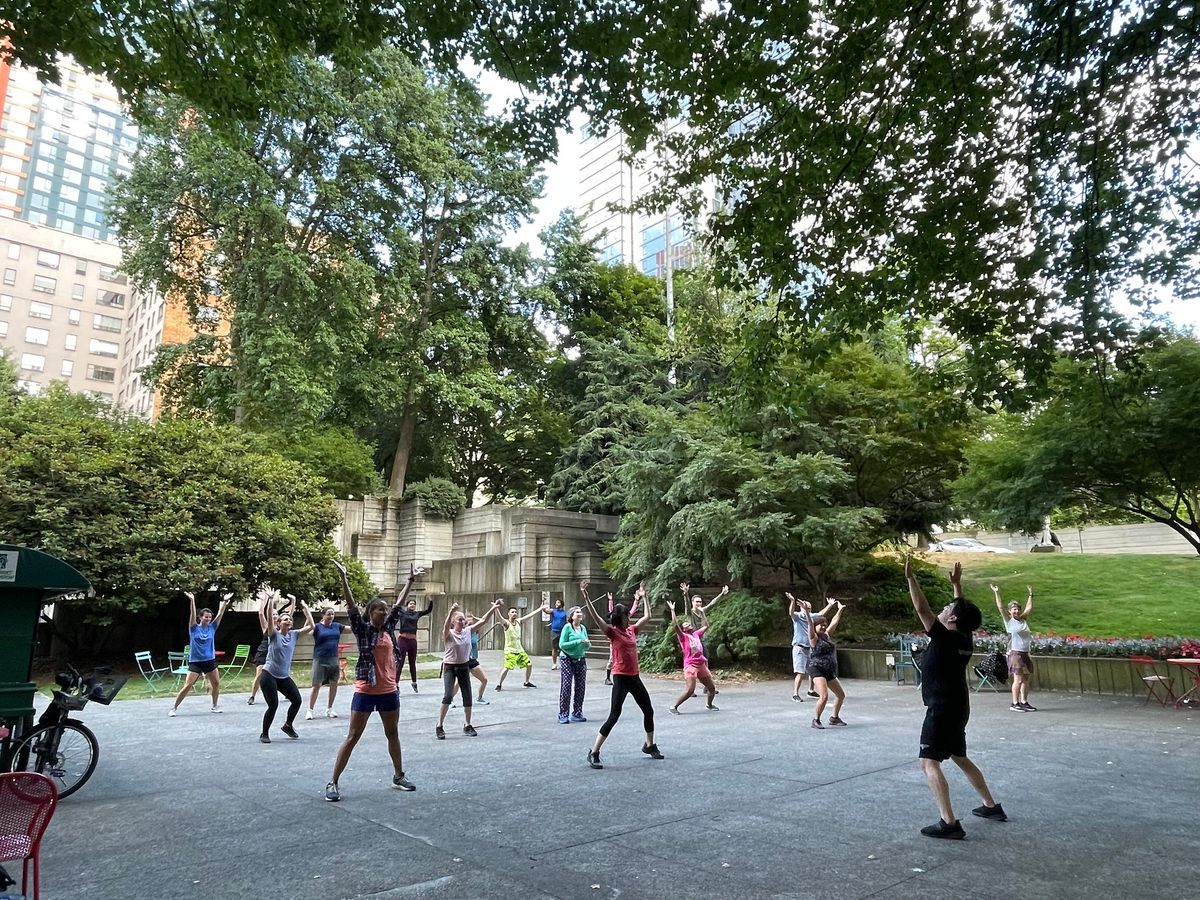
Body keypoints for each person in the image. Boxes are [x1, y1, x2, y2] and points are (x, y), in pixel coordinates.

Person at [905, 557, 1006, 839]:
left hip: (941, 708)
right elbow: (959, 614)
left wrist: (911, 578)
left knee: (928, 762)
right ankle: (991, 806)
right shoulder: (964, 638)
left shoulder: (944, 638)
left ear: (950, 619)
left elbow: (921, 608)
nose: (942, 610)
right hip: (958, 707)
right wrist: (957, 587)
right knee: (959, 756)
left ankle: (948, 822)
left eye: (946, 609)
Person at [326, 560, 421, 801]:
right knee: (353, 736)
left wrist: (410, 581)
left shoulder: (388, 629)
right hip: (366, 690)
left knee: (393, 733)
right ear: (371, 613)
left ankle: (399, 775)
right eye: (381, 609)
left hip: (389, 689)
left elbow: (399, 605)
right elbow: (350, 607)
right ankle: (333, 782)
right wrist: (344, 578)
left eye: (386, 609)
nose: (386, 611)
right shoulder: (362, 628)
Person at [582, 580, 662, 768]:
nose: (629, 617)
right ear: (620, 618)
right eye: (626, 615)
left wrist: (645, 596)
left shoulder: (632, 630)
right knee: (614, 715)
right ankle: (594, 752)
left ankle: (649, 745)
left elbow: (648, 616)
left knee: (648, 711)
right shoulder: (612, 633)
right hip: (620, 677)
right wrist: (586, 597)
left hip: (634, 677)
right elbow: (596, 618)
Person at [436, 600, 503, 740]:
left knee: (467, 696)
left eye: (463, 619)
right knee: (448, 695)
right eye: (460, 619)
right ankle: (439, 725)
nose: (463, 621)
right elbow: (445, 625)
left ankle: (467, 725)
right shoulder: (448, 633)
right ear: (454, 622)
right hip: (450, 667)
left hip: (463, 666)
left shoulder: (467, 631)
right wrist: (450, 612)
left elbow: (484, 620)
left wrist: (493, 608)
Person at [257, 591, 314, 743]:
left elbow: (311, 625)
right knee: (273, 705)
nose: (288, 620)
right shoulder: (274, 634)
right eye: (284, 619)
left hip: (283, 676)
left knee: (297, 700)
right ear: (278, 623)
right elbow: (269, 618)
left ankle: (288, 725)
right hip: (269, 674)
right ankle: (264, 733)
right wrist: (269, 600)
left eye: (289, 619)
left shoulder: (294, 634)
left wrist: (306, 609)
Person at [169, 590, 232, 717]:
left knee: (216, 684)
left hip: (209, 661)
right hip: (195, 662)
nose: (208, 619)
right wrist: (192, 600)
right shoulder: (193, 628)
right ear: (200, 617)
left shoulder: (212, 627)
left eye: (209, 617)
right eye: (206, 617)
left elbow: (220, 614)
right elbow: (192, 614)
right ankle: (174, 708)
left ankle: (214, 706)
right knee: (188, 685)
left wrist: (224, 602)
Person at [668, 600, 719, 714]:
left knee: (711, 688)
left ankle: (709, 705)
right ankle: (674, 707)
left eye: (688, 624)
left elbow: (706, 625)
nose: (688, 625)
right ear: (684, 629)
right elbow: (675, 625)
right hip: (690, 665)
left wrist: (702, 613)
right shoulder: (683, 637)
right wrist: (672, 610)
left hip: (701, 664)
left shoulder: (696, 634)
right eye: (686, 625)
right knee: (690, 690)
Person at [992, 583, 1037, 712]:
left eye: (1018, 609)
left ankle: (1024, 702)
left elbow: (1029, 608)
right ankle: (1014, 703)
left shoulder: (1023, 620)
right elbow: (1000, 607)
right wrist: (996, 592)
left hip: (1025, 653)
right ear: (1010, 611)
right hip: (1015, 653)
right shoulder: (1009, 621)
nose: (1016, 611)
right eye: (1014, 609)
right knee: (1018, 679)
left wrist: (1030, 594)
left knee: (1026, 679)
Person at [785, 592, 836, 702]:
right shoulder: (798, 617)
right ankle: (795, 693)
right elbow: (791, 613)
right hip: (799, 647)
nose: (807, 609)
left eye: (809, 608)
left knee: (812, 670)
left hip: (810, 648)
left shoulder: (811, 616)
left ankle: (811, 690)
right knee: (800, 672)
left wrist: (830, 605)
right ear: (801, 607)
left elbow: (821, 614)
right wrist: (792, 601)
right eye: (805, 607)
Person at [808, 601, 848, 729]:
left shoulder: (826, 636)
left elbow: (834, 622)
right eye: (820, 625)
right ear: (814, 627)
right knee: (824, 696)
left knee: (841, 695)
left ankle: (834, 718)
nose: (824, 627)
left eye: (824, 625)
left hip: (829, 670)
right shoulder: (813, 639)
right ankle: (816, 720)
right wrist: (807, 614)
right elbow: (809, 624)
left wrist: (840, 610)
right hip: (817, 669)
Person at [306, 606, 351, 719]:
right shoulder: (317, 627)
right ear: (323, 615)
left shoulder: (337, 626)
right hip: (320, 658)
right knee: (316, 685)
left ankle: (329, 709)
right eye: (329, 614)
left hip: (333, 658)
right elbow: (308, 631)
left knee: (334, 683)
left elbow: (351, 629)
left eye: (332, 614)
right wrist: (307, 614)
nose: (331, 616)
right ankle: (310, 710)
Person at [495, 602, 550, 690]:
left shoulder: (518, 621)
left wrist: (540, 609)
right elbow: (499, 618)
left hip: (519, 649)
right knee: (507, 667)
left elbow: (529, 616)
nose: (514, 613)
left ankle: (526, 682)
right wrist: (495, 608)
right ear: (508, 614)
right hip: (510, 650)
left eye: (515, 612)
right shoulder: (506, 623)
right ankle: (499, 684)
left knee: (529, 665)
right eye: (512, 612)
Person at [248, 595, 291, 705]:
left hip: (275, 653)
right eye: (273, 614)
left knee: (284, 672)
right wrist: (264, 600)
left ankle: (287, 692)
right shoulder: (267, 626)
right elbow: (261, 613)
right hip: (264, 652)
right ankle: (252, 696)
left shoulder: (282, 627)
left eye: (276, 614)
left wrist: (293, 601)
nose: (275, 616)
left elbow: (290, 614)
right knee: (259, 674)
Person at [394, 568, 431, 693]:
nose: (412, 605)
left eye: (414, 604)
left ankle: (414, 682)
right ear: (407, 605)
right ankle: (396, 684)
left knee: (412, 662)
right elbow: (397, 605)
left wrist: (430, 600)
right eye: (410, 604)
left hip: (412, 640)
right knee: (399, 662)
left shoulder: (417, 614)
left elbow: (428, 611)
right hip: (403, 639)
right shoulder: (403, 613)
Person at [557, 604, 590, 723]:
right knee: (566, 685)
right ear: (571, 616)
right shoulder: (567, 627)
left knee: (580, 686)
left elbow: (587, 645)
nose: (579, 614)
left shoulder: (583, 628)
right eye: (577, 612)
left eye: (580, 612)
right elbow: (561, 645)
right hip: (567, 658)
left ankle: (577, 712)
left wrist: (586, 644)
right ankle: (563, 713)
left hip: (580, 658)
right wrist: (577, 642)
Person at [604, 589, 640, 686]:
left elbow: (632, 611)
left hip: (625, 637)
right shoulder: (615, 618)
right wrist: (610, 601)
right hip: (616, 639)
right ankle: (607, 677)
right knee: (611, 659)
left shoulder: (626, 618)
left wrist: (636, 600)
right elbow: (611, 611)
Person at [548, 597, 568, 671]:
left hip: (562, 632)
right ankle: (554, 664)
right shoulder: (553, 611)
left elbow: (568, 620)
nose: (556, 604)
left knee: (563, 648)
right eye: (556, 602)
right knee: (554, 648)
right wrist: (543, 607)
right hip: (554, 631)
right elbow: (546, 611)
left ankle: (563, 663)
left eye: (558, 602)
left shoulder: (565, 612)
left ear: (562, 604)